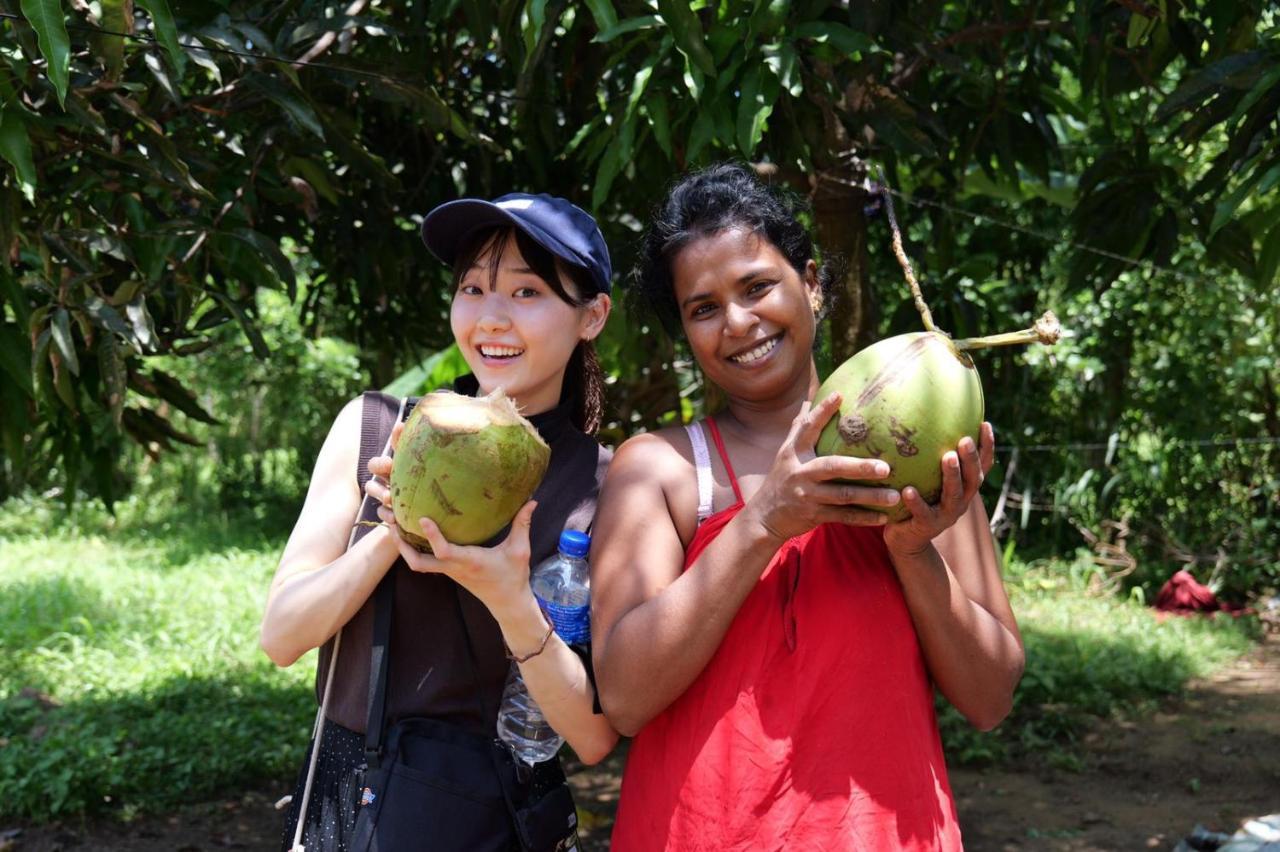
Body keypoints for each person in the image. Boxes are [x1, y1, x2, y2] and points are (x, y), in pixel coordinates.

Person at [590, 163, 1025, 850]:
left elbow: (990, 698)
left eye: (757, 287)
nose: (738, 322)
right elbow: (624, 697)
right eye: (703, 308)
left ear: (812, 283)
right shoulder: (662, 470)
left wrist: (913, 552)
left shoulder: (920, 448)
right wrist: (764, 520)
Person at [261, 192, 619, 851]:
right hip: (350, 797)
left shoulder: (605, 483)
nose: (491, 318)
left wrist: (510, 598)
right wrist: (395, 531)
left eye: (527, 291)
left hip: (489, 812)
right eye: (473, 288)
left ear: (592, 315)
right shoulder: (376, 429)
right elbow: (282, 637)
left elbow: (593, 735)